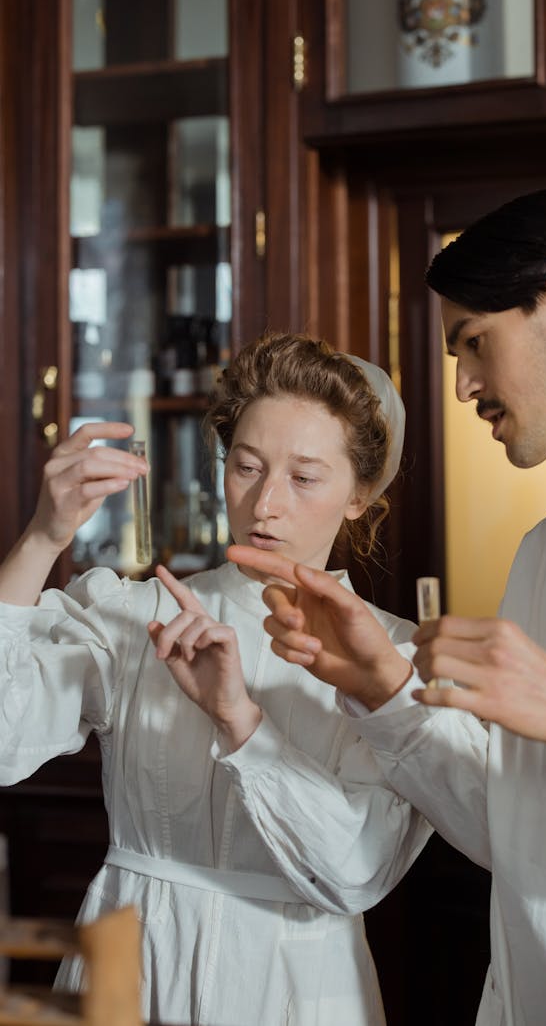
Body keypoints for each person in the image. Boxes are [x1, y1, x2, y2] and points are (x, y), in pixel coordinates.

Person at [234, 190, 546, 1026]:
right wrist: (381, 688)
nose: (464, 384)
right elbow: (516, 831)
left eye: (474, 342)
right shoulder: (544, 550)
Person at [0, 332, 432, 1026]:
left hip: (293, 983)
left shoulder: (397, 657)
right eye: (246, 465)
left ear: (360, 494)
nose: (264, 504)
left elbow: (357, 869)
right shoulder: (136, 611)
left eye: (304, 477)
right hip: (125, 962)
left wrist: (240, 720)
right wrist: (43, 538)